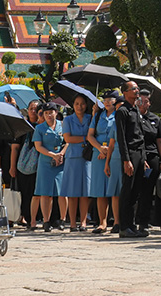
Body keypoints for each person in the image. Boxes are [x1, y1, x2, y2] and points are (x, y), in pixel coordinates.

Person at [115, 80, 147, 238]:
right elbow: (121, 138)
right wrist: (126, 160)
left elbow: (140, 135)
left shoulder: (136, 109)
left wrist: (144, 158)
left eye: (137, 88)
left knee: (136, 191)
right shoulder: (122, 111)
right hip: (130, 153)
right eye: (133, 89)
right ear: (125, 92)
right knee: (127, 189)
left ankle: (132, 225)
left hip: (140, 154)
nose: (136, 91)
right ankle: (124, 226)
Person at [88, 90, 122, 234]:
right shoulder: (97, 116)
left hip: (114, 153)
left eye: (110, 99)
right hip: (98, 154)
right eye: (105, 100)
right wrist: (100, 149)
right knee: (100, 190)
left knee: (115, 190)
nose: (107, 102)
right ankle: (102, 222)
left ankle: (117, 221)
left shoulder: (120, 115)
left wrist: (108, 150)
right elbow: (89, 136)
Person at [135, 89, 161, 233]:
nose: (143, 104)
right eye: (140, 101)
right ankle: (130, 221)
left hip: (152, 157)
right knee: (135, 190)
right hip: (136, 156)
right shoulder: (132, 117)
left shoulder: (155, 119)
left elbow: (160, 141)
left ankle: (144, 222)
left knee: (148, 191)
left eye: (146, 101)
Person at [60, 94, 93, 231]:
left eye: (82, 104)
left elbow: (94, 135)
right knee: (72, 192)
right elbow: (68, 138)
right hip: (73, 157)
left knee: (85, 192)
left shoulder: (91, 118)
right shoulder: (68, 119)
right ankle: (72, 223)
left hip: (87, 158)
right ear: (73, 105)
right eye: (77, 104)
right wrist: (86, 138)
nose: (80, 106)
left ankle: (83, 222)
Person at [33, 104, 66, 232]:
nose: (48, 115)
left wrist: (61, 154)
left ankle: (63, 219)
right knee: (45, 193)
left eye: (51, 112)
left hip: (61, 162)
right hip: (46, 162)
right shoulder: (39, 128)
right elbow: (38, 146)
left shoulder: (62, 125)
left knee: (62, 192)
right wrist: (52, 155)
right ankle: (46, 221)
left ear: (56, 113)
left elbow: (67, 141)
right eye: (45, 113)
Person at [13, 99, 42, 228]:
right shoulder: (22, 126)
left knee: (37, 192)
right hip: (24, 165)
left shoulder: (44, 126)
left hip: (41, 166)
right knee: (25, 192)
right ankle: (27, 217)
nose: (33, 112)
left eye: (36, 109)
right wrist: (12, 166)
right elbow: (15, 148)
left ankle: (37, 217)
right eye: (31, 108)